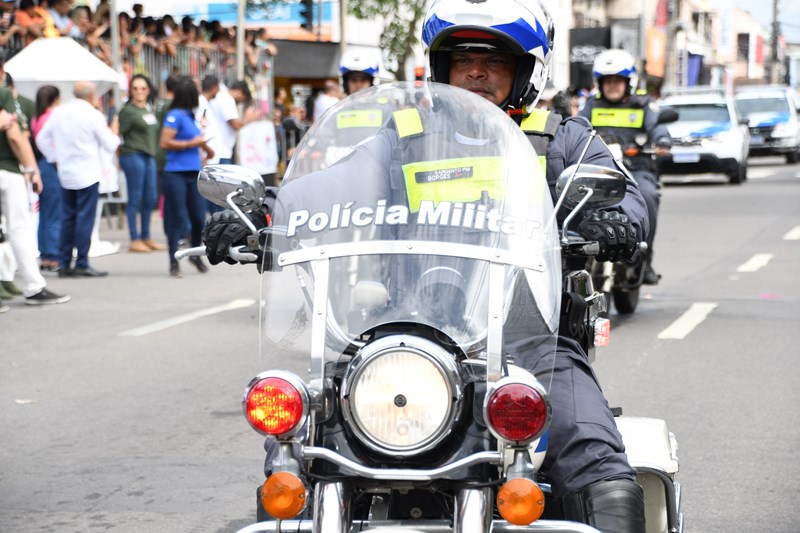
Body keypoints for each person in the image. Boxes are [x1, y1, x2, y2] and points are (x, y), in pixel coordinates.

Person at [202, 1, 649, 531]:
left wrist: (613, 218)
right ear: (441, 68)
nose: (476, 72)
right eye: (462, 60)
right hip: (404, 331)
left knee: (595, 456)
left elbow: (627, 197)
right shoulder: (406, 134)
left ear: (527, 71)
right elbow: (330, 186)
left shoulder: (563, 140)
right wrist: (264, 212)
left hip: (529, 339)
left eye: (495, 61)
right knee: (306, 447)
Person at [579, 49, 670, 285]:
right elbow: (577, 128)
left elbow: (658, 126)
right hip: (600, 169)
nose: (612, 86)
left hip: (636, 167)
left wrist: (662, 141)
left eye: (617, 81)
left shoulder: (643, 105)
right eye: (607, 81)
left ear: (628, 82)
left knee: (648, 197)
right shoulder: (591, 105)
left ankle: (644, 259)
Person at [37, 80, 120, 278]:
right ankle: (81, 261)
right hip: (87, 172)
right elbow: (110, 144)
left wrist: (55, 158)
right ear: (91, 96)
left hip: (66, 172)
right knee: (84, 218)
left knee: (67, 217)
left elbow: (41, 139)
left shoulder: (59, 112)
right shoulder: (93, 115)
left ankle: (65, 261)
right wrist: (115, 132)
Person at [0, 78, 69, 304]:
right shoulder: (5, 94)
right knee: (19, 228)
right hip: (7, 169)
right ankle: (33, 286)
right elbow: (15, 136)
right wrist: (32, 169)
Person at [159, 75, 214, 278]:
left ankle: (194, 253)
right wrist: (191, 144)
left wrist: (204, 151)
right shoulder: (174, 115)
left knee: (199, 217)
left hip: (193, 172)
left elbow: (195, 140)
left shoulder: (190, 116)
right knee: (177, 218)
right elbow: (165, 142)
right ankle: (174, 261)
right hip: (175, 174)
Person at [119, 73, 165, 253]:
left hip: (148, 156)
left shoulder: (147, 109)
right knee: (136, 197)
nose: (139, 91)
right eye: (135, 88)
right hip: (133, 155)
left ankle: (146, 236)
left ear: (148, 90)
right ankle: (134, 238)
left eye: (143, 88)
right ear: (131, 90)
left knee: (151, 197)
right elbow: (119, 133)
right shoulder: (127, 111)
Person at [31, 84, 62, 273]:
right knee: (54, 212)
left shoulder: (36, 118)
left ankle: (45, 254)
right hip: (50, 166)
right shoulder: (52, 118)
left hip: (40, 165)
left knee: (44, 213)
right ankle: (52, 255)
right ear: (55, 100)